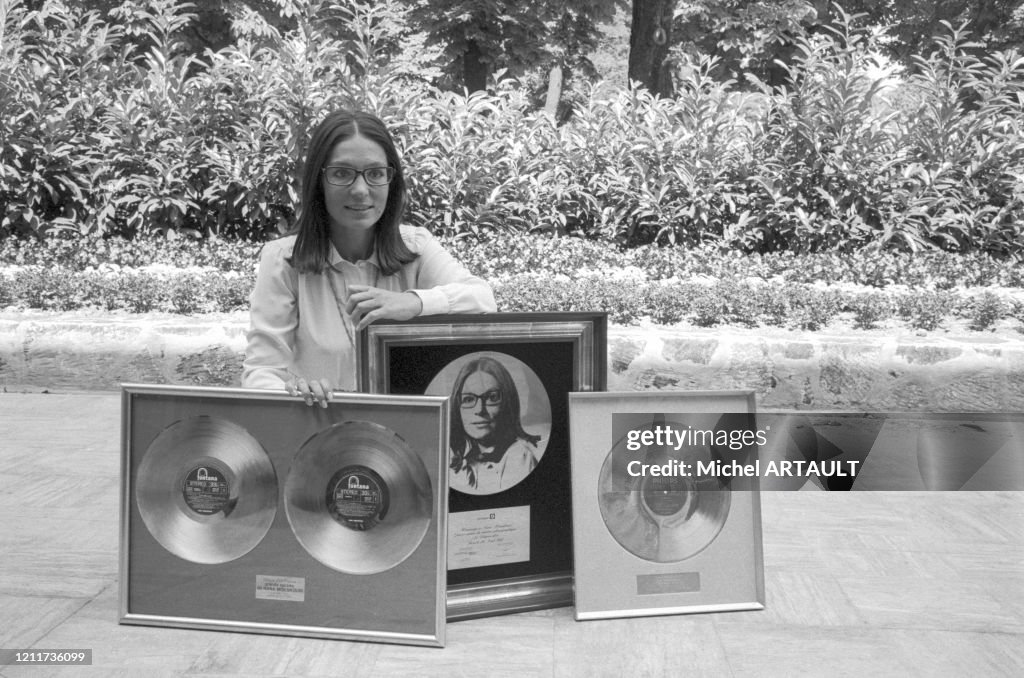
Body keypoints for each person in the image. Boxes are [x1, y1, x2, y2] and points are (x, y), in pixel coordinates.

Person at [242, 109, 496, 404]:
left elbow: (483, 299)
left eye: (375, 173)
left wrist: (413, 302)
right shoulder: (283, 261)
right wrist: (296, 394)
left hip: (406, 436)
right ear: (318, 181)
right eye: (342, 173)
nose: (360, 190)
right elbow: (261, 372)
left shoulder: (416, 248)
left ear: (391, 179)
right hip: (321, 431)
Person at [448, 356, 543, 494]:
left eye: (492, 397)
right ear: (458, 407)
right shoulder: (462, 461)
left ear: (507, 403)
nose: (480, 410)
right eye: (468, 399)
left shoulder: (519, 457)